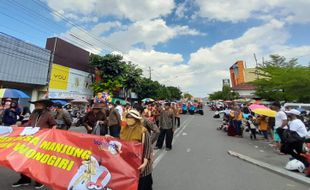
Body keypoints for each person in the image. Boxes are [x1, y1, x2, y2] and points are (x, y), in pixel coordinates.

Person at [12, 99, 57, 189]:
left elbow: (54, 125)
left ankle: (39, 180)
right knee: (25, 159)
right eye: (36, 104)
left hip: (42, 140)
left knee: (38, 161)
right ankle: (25, 179)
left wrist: (52, 133)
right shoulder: (34, 113)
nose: (37, 106)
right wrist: (19, 127)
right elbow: (29, 123)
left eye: (39, 104)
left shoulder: (48, 114)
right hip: (30, 139)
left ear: (44, 105)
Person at [120, 110, 153, 190]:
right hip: (128, 163)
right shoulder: (124, 129)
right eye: (128, 117)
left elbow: (148, 147)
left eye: (131, 118)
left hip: (142, 164)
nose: (129, 119)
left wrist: (145, 162)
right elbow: (120, 142)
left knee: (143, 185)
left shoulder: (143, 131)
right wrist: (110, 139)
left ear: (136, 119)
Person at [282, 109, 309, 177]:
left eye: (289, 114)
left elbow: (291, 133)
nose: (288, 115)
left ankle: (306, 166)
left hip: (300, 140)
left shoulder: (295, 122)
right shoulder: (296, 121)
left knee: (291, 150)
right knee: (298, 153)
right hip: (300, 139)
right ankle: (301, 162)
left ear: (293, 115)